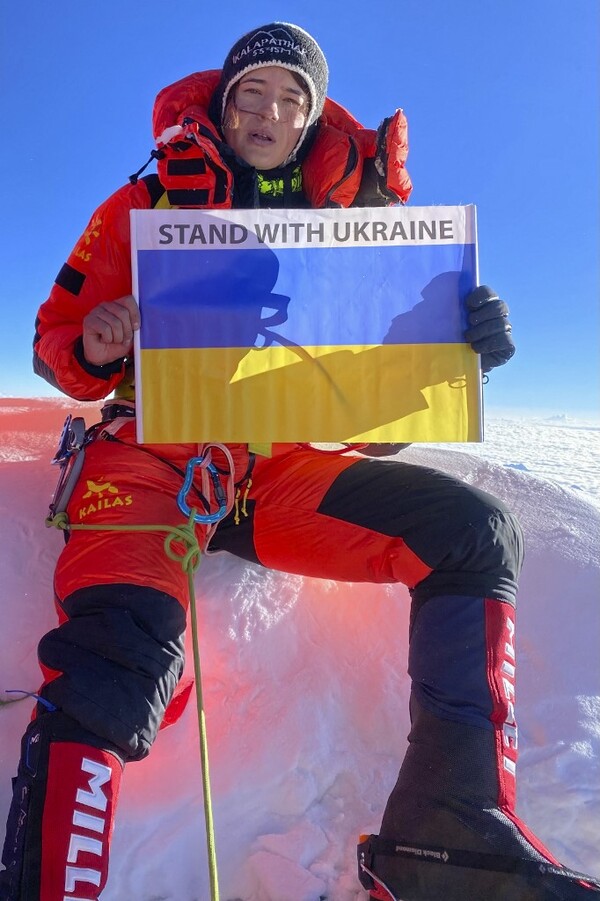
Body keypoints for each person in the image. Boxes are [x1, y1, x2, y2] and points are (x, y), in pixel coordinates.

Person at [0, 22, 596, 901]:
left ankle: (450, 827)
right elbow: (56, 347)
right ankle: (54, 879)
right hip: (153, 451)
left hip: (276, 471)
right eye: (253, 92)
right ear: (224, 99)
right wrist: (97, 341)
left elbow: (373, 417)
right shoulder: (147, 204)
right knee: (119, 650)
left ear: (312, 118)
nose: (269, 112)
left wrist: (447, 353)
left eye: (291, 97)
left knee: (472, 532)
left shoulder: (357, 228)